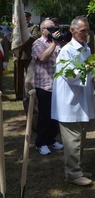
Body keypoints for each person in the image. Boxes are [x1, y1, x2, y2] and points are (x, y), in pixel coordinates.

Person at [52, 16, 95, 186]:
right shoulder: (66, 51)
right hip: (69, 102)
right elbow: (70, 76)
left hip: (81, 100)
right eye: (82, 30)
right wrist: (87, 68)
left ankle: (77, 168)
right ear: (73, 31)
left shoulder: (86, 49)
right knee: (72, 140)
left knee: (81, 137)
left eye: (87, 30)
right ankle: (73, 173)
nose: (86, 33)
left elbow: (86, 74)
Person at [31, 19, 64, 156]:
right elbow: (43, 57)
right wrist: (55, 43)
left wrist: (61, 41)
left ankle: (51, 139)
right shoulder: (37, 43)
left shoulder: (56, 43)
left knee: (54, 116)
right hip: (44, 85)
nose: (52, 30)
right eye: (49, 28)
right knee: (44, 115)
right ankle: (41, 143)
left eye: (54, 27)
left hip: (57, 85)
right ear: (42, 30)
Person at [13, 11, 39, 100]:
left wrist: (25, 34)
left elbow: (35, 38)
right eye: (23, 17)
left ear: (29, 18)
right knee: (18, 77)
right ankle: (18, 94)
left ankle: (29, 94)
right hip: (18, 55)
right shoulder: (16, 27)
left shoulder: (33, 26)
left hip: (28, 54)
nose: (25, 18)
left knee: (29, 77)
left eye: (27, 17)